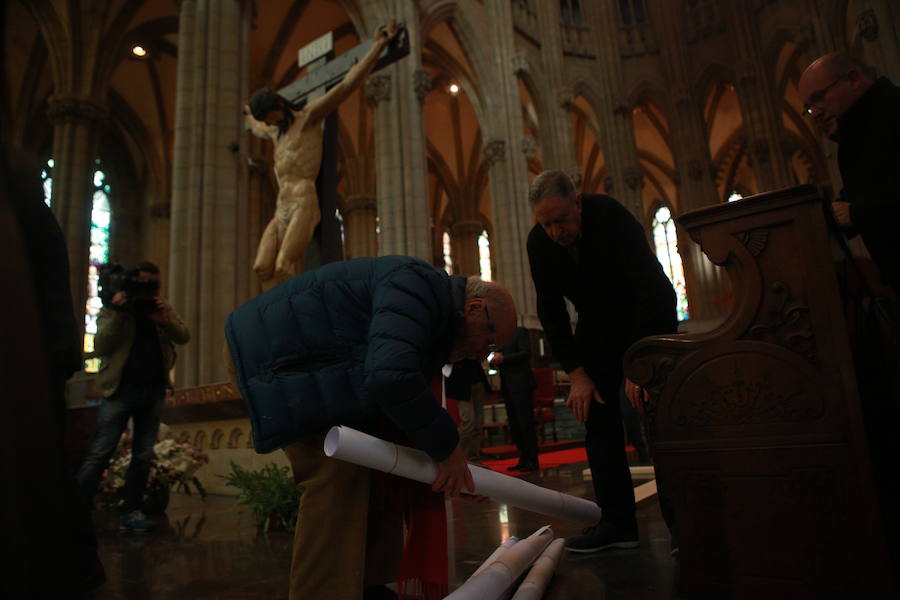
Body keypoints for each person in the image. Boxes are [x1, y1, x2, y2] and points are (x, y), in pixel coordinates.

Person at [224, 256, 517, 600]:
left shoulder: (430, 304)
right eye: (491, 341)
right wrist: (446, 448)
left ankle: (370, 584)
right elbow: (390, 377)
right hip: (274, 357)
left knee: (378, 463)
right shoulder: (418, 287)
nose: (484, 355)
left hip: (311, 363)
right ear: (474, 308)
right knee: (334, 475)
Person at [526, 170, 678, 553]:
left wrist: (642, 365)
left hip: (646, 316)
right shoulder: (539, 243)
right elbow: (552, 313)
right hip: (595, 329)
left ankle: (684, 525)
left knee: (660, 419)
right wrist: (577, 374)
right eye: (546, 224)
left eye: (561, 219)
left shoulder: (608, 214)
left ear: (577, 202)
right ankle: (617, 525)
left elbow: (649, 286)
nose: (555, 231)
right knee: (597, 420)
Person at [244, 21, 400, 291]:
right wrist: (247, 113)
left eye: (272, 116)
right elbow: (256, 127)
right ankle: (277, 317)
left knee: (283, 266)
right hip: (281, 207)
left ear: (279, 106)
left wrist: (378, 46)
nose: (271, 122)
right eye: (267, 120)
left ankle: (297, 317)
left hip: (304, 201)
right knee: (261, 266)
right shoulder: (275, 133)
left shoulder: (309, 119)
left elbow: (348, 85)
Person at [76, 262, 190, 532]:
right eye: (144, 284)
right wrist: (119, 313)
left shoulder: (161, 309)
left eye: (154, 285)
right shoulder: (114, 310)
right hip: (120, 390)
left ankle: (132, 510)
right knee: (101, 451)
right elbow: (101, 345)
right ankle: (75, 506)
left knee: (143, 455)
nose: (149, 290)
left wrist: (165, 321)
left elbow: (184, 336)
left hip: (153, 390)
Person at [798, 53, 900, 297]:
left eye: (818, 98)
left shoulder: (894, 108)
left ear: (853, 80)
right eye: (808, 108)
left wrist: (855, 211)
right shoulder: (855, 136)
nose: (815, 112)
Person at [491, 324, 539, 472]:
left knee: (525, 423)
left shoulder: (520, 331)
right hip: (507, 385)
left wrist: (503, 358)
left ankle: (532, 460)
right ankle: (523, 459)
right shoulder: (500, 337)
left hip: (521, 384)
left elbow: (525, 353)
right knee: (515, 424)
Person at [445, 358, 491, 462]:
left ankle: (474, 457)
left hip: (477, 381)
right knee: (468, 421)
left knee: (478, 424)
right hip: (461, 383)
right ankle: (460, 457)